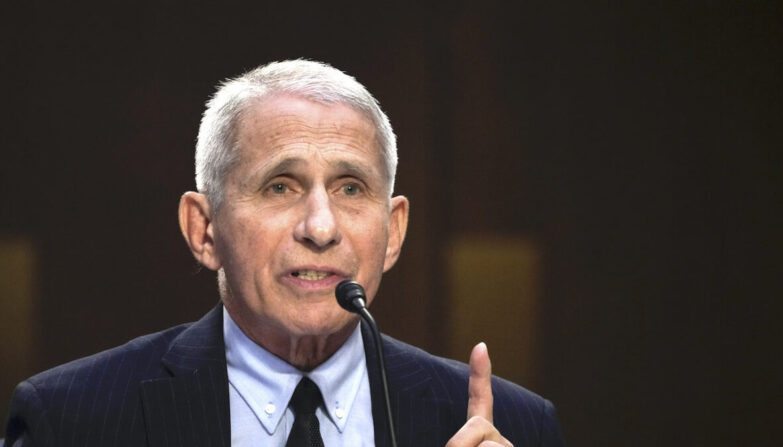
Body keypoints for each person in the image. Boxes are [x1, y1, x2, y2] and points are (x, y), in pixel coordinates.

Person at [3, 60, 565, 446]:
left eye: (350, 188)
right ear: (204, 230)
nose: (321, 227)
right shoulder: (73, 420)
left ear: (393, 232)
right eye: (280, 186)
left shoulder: (511, 426)